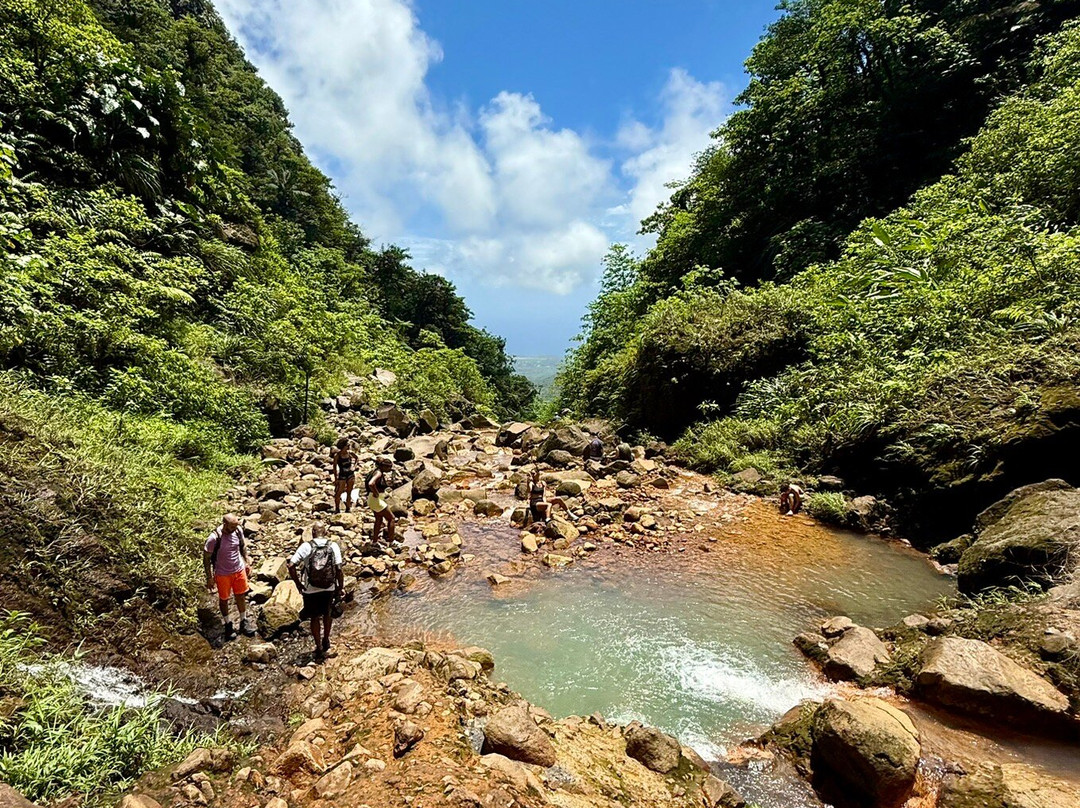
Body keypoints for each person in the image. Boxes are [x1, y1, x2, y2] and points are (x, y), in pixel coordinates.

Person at [287, 522, 343, 662]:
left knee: (314, 617)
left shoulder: (306, 546)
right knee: (327, 614)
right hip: (329, 587)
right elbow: (339, 569)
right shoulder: (333, 546)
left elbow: (291, 565)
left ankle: (318, 646)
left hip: (310, 588)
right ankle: (326, 639)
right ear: (325, 532)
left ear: (312, 533)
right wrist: (340, 587)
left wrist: (298, 583)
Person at [203, 514, 255, 638]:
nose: (235, 528)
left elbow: (242, 546)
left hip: (239, 569)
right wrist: (209, 578)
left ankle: (243, 621)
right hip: (222, 574)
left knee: (241, 595)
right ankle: (227, 624)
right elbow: (206, 558)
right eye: (232, 526)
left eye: (236, 526)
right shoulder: (214, 538)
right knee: (224, 599)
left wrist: (246, 561)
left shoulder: (238, 531)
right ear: (225, 524)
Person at [366, 456, 397, 548]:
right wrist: (376, 493)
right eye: (389, 467)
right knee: (391, 518)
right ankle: (391, 542)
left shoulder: (375, 471)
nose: (390, 469)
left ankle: (374, 541)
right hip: (376, 500)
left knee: (379, 520)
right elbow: (371, 483)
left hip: (371, 499)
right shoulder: (379, 473)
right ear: (384, 466)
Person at [331, 437, 357, 514]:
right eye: (347, 445)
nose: (349, 446)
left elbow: (356, 458)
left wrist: (354, 466)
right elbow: (334, 468)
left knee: (349, 492)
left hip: (350, 474)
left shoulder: (350, 453)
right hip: (342, 475)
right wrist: (336, 479)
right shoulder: (337, 455)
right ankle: (337, 508)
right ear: (343, 446)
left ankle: (348, 508)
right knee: (339, 492)